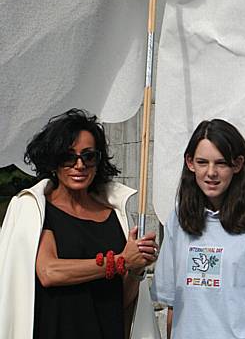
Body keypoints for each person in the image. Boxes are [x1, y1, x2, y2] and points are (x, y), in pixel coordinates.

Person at [0, 108, 158, 339]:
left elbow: (120, 300)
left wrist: (136, 269)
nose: (79, 165)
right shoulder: (37, 210)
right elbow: (49, 271)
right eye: (67, 156)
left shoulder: (117, 216)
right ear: (53, 161)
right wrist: (121, 260)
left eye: (88, 156)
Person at [151, 118, 245, 339]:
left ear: (237, 164)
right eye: (202, 162)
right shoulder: (178, 220)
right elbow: (174, 305)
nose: (211, 172)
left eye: (221, 163)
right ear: (190, 163)